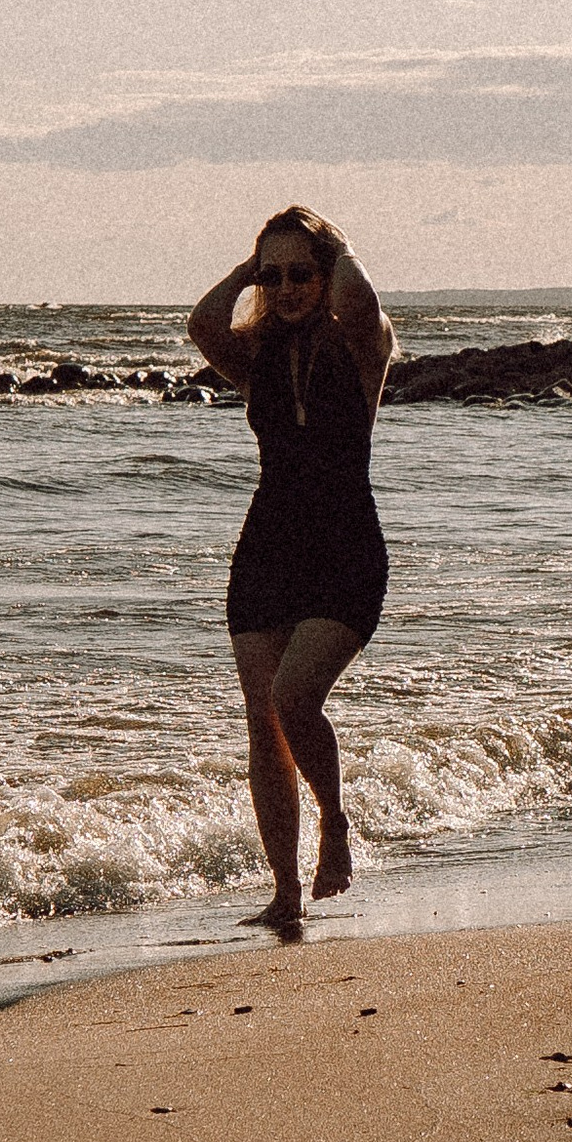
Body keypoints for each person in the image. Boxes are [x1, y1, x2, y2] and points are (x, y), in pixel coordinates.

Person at [187, 206, 395, 931]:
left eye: (300, 272)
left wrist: (334, 252)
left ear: (327, 269)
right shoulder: (258, 353)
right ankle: (284, 892)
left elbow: (361, 301)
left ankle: (335, 824)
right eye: (272, 277)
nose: (287, 288)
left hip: (345, 546)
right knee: (261, 722)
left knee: (295, 697)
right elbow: (203, 326)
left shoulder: (362, 345)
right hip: (268, 545)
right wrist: (250, 271)